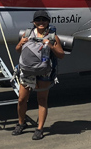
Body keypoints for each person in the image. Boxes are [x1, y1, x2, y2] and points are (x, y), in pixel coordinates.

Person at [12, 10, 65, 140]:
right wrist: (21, 43)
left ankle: (40, 128)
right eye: (38, 20)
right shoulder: (28, 33)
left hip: (44, 72)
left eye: (44, 20)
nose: (41, 22)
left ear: (48, 22)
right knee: (21, 99)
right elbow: (18, 50)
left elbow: (61, 54)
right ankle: (21, 123)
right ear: (34, 22)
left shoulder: (52, 37)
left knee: (42, 100)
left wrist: (51, 46)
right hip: (27, 70)